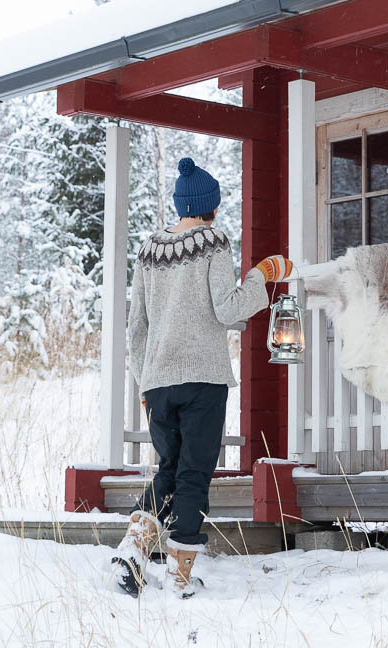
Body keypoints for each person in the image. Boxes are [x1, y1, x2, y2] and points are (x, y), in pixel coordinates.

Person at [109, 157, 292, 598]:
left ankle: (132, 552)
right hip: (202, 380)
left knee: (170, 470)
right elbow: (228, 309)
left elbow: (137, 325)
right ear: (210, 206)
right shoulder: (212, 242)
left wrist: (142, 382)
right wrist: (260, 278)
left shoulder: (150, 249)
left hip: (157, 382)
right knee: (193, 474)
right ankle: (178, 577)